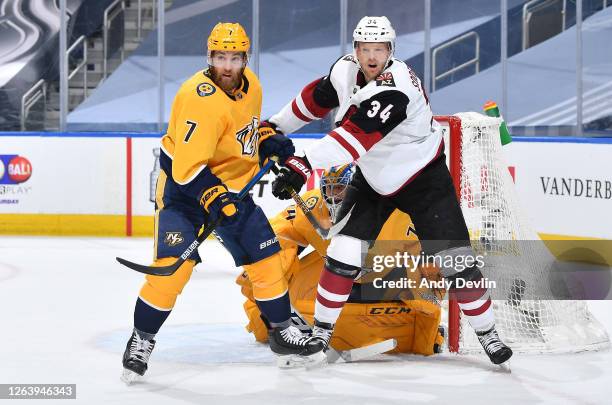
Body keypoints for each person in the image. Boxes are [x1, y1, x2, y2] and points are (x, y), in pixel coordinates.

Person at [268, 16, 513, 365]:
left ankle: (489, 334)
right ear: (355, 50)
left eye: (379, 49)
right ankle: (323, 330)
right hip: (373, 178)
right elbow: (315, 100)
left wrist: (300, 162)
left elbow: (352, 141)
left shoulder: (396, 88)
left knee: (454, 262)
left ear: (390, 51)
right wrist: (273, 125)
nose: (371, 56)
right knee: (343, 253)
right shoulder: (345, 68)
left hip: (423, 178)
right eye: (365, 48)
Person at [121, 22, 322, 383]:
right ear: (209, 57)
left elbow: (244, 132)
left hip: (233, 190)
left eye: (234, 57)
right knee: (172, 269)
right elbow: (185, 167)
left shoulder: (253, 85)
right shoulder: (197, 98)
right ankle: (141, 339)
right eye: (220, 57)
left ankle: (281, 332)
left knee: (267, 259)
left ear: (246, 58)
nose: (227, 66)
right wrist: (212, 195)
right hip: (185, 192)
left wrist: (267, 141)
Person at [236, 164, 446, 355]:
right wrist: (262, 267)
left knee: (426, 293)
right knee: (266, 275)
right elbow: (277, 233)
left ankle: (426, 331)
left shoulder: (395, 210)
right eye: (328, 189)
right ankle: (284, 328)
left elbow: (433, 246)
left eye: (340, 189)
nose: (333, 197)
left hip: (388, 275)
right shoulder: (314, 206)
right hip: (333, 278)